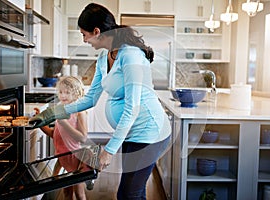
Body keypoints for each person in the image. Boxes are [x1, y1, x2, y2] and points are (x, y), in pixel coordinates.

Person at [30, 3, 171, 199]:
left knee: (129, 194)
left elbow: (133, 108)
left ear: (96, 31)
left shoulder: (130, 55)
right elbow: (90, 98)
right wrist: (54, 113)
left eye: (84, 34)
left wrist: (109, 150)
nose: (84, 40)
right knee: (130, 193)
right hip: (132, 132)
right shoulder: (104, 57)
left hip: (149, 131)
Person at [34, 76, 89, 200]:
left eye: (67, 92)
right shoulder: (61, 110)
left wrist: (64, 123)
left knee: (79, 194)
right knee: (66, 193)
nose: (63, 95)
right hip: (61, 157)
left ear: (76, 94)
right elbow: (54, 134)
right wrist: (40, 122)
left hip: (74, 158)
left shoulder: (80, 112)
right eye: (61, 92)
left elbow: (83, 138)